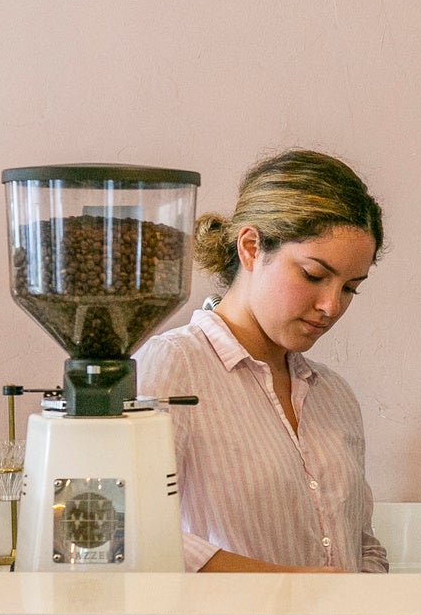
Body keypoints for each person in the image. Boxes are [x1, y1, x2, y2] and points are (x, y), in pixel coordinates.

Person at [135, 149, 388, 573]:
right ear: (251, 247)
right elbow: (131, 533)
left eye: (350, 288)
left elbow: (362, 545)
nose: (331, 306)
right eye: (313, 275)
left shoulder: (334, 397)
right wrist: (294, 587)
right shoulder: (172, 366)